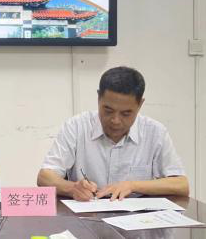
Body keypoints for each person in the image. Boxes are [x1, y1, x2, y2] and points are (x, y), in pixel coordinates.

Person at [37, 66, 189, 201]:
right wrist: (73, 188)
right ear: (98, 98)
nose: (115, 121)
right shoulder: (76, 127)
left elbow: (181, 185)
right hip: (87, 215)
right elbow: (45, 177)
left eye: (126, 113)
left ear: (140, 104)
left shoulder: (155, 132)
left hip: (137, 219)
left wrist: (133, 185)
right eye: (108, 110)